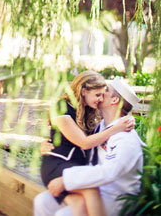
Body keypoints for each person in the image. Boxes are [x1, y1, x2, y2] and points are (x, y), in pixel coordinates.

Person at [34, 77, 144, 216]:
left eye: (106, 91)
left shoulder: (126, 137)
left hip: (114, 199)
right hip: (93, 188)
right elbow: (77, 139)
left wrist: (66, 180)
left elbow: (109, 172)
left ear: (114, 100)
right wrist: (47, 144)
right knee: (42, 201)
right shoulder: (100, 127)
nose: (101, 93)